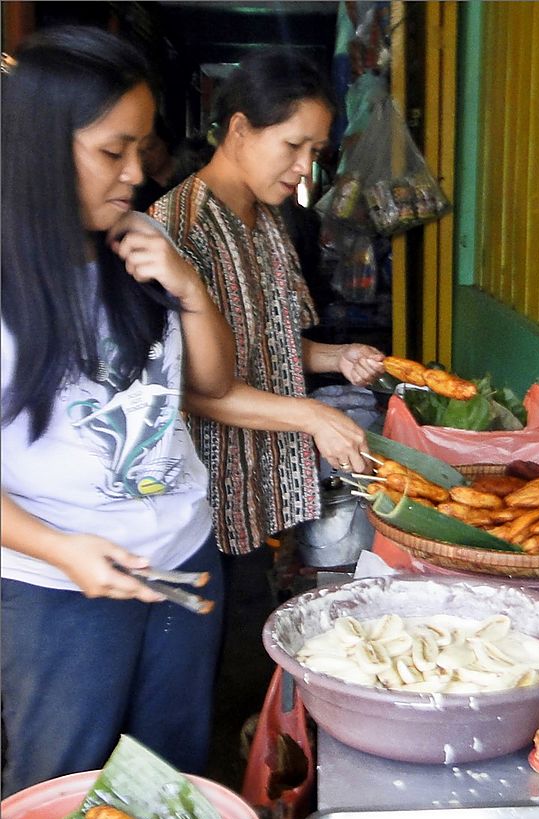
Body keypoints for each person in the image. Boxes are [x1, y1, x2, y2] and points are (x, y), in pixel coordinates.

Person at [1, 26, 235, 796]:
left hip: (184, 559)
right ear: (39, 145)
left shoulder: (139, 251)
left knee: (169, 791)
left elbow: (210, 383)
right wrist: (60, 549)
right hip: (58, 591)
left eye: (143, 147)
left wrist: (189, 288)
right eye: (113, 150)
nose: (137, 173)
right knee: (65, 801)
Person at [150, 47, 386, 558]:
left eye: (316, 152)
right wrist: (313, 417)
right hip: (198, 498)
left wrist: (337, 358)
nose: (304, 167)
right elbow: (182, 387)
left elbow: (274, 344)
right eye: (293, 145)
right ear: (239, 129)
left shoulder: (269, 220)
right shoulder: (178, 230)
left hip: (259, 491)